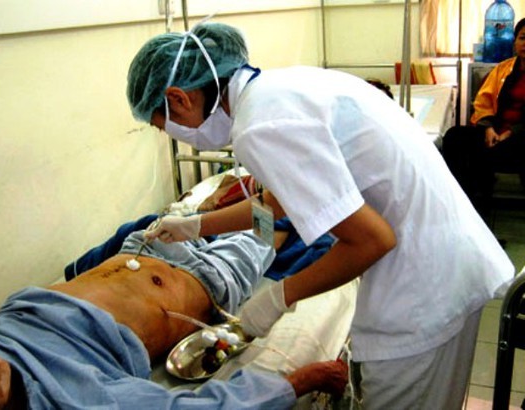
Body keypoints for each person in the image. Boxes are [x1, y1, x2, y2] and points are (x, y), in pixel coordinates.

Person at [126, 22, 515, 409]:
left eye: (165, 129)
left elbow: (372, 240)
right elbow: (279, 200)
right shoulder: (278, 90)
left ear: (178, 99)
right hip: (445, 259)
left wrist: (280, 296)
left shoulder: (261, 125)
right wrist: (195, 226)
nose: (175, 136)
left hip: (423, 287)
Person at [0, 229, 348, 409]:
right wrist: (298, 382)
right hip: (206, 279)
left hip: (142, 244)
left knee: (222, 200)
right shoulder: (77, 399)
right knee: (271, 225)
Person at [442, 18, 525, 222]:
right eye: (523, 38)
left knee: (484, 155)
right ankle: (459, 205)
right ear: (514, 42)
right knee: (455, 136)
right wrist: (488, 128)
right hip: (495, 133)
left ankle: (479, 208)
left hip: (520, 138)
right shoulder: (503, 69)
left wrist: (511, 132)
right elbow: (483, 100)